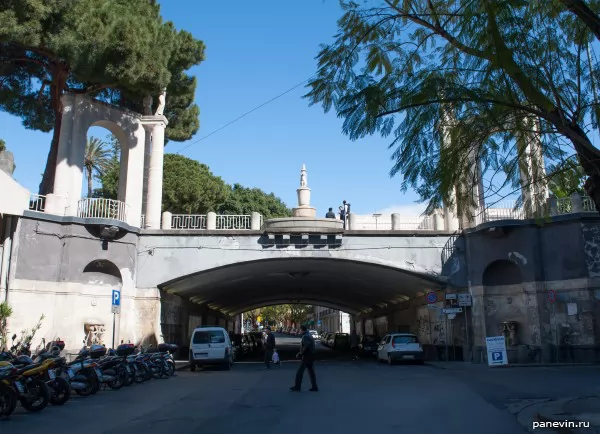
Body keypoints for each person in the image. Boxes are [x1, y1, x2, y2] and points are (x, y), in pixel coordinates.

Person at [290, 325, 318, 392]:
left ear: (302, 330)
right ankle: (314, 386)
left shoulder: (305, 336)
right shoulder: (309, 335)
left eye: (300, 330)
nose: (299, 331)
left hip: (307, 356)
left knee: (300, 372)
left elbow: (306, 346)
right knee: (311, 372)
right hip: (311, 356)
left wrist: (300, 353)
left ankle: (297, 386)